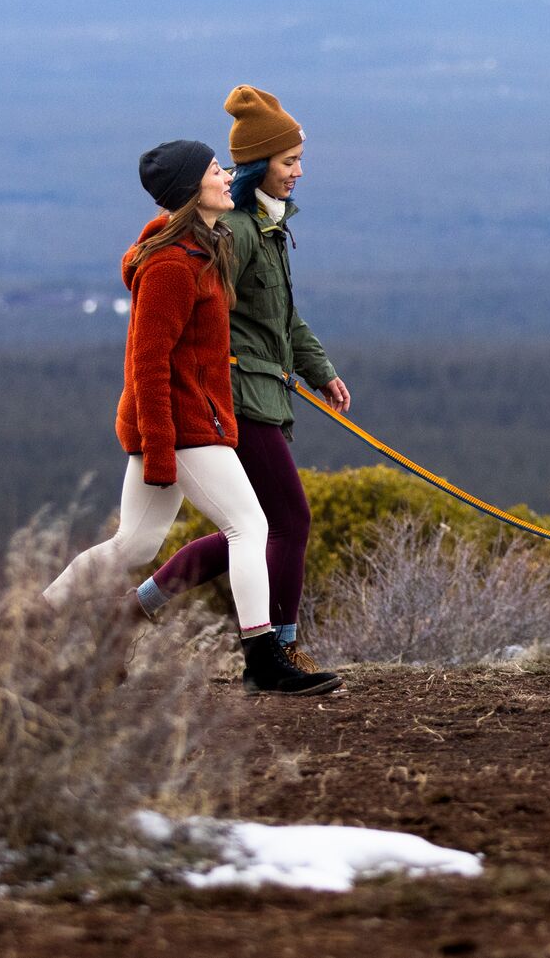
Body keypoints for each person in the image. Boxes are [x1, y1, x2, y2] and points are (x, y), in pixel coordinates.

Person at [42, 137, 340, 697]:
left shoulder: (203, 252)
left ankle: (31, 624)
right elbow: (147, 364)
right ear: (189, 192)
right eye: (213, 171)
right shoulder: (171, 267)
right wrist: (159, 448)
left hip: (185, 425)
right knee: (250, 528)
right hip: (181, 428)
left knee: (132, 546)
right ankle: (263, 659)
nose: (227, 176)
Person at [128, 87, 349, 675]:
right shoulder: (241, 234)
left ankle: (138, 609)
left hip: (261, 392)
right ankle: (278, 647)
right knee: (283, 521)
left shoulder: (267, 229)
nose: (298, 172)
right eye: (288, 162)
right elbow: (207, 326)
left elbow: (283, 317)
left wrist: (318, 370)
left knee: (250, 527)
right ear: (259, 165)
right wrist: (237, 379)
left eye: (299, 160)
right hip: (237, 400)